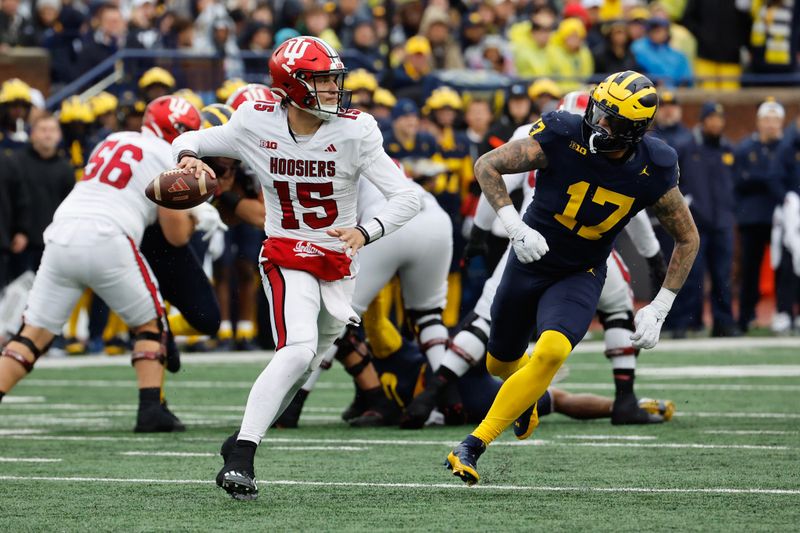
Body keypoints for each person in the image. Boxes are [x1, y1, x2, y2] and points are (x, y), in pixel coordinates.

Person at [172, 36, 420, 500]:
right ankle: (243, 454)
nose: (333, 87)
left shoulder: (355, 130)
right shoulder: (254, 121)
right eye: (322, 78)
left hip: (337, 258)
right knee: (298, 347)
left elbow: (408, 196)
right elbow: (191, 138)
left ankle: (240, 441)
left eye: (332, 77)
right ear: (293, 85)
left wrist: (368, 232)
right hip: (286, 250)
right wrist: (188, 158)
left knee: (310, 356)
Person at [445, 71, 699, 485]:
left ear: (634, 131)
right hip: (529, 258)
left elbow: (687, 238)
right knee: (499, 360)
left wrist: (660, 306)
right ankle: (527, 397)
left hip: (580, 272)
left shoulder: (655, 164)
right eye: (599, 111)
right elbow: (487, 165)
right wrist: (515, 227)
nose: (598, 123)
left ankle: (472, 445)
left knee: (550, 352)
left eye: (611, 120)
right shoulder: (562, 131)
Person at [403, 91, 670, 430]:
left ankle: (434, 391)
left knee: (486, 315)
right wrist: (653, 257)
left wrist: (481, 236)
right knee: (618, 309)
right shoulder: (626, 153)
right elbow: (638, 214)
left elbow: (492, 177)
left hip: (534, 243)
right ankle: (625, 398)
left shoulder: (541, 133)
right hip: (589, 255)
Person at [0, 95, 201, 433]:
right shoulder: (170, 157)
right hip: (109, 237)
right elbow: (176, 235)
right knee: (150, 324)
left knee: (32, 335)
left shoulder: (112, 140)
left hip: (62, 232)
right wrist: (195, 215)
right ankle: (151, 408)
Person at [668, 102, 738, 337]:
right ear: (702, 120)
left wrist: (730, 210)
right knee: (690, 274)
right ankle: (683, 322)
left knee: (722, 275)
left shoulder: (727, 148)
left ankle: (723, 323)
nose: (716, 123)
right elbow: (675, 181)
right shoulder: (686, 147)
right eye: (711, 118)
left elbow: (733, 184)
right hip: (695, 223)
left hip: (722, 222)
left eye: (720, 118)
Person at [734, 100, 785, 332]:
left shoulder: (787, 148)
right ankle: (746, 316)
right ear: (758, 122)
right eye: (766, 119)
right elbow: (739, 181)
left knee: (786, 269)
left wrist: (759, 178)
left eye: (775, 120)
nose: (771, 125)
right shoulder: (745, 148)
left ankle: (785, 313)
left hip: (782, 218)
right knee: (750, 270)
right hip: (753, 217)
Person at [12, 114, 73, 275]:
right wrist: (17, 231)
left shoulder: (66, 169)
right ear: (33, 134)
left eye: (52, 130)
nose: (48, 134)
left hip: (53, 245)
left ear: (59, 135)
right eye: (43, 130)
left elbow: (70, 209)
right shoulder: (16, 162)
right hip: (20, 244)